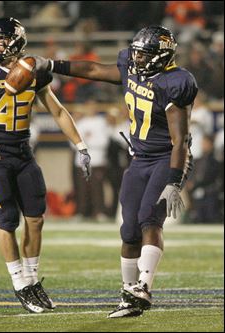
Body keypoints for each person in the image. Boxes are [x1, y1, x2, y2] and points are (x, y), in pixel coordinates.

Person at [32, 25, 198, 318]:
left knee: (150, 219)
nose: (137, 59)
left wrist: (174, 179)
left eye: (144, 55)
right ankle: (128, 293)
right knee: (129, 229)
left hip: (165, 157)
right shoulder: (131, 68)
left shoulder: (175, 81)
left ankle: (144, 288)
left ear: (161, 56)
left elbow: (180, 140)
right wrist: (54, 65)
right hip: (138, 159)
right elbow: (95, 69)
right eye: (136, 53)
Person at [0, 17, 91, 314]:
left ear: (17, 40)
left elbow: (59, 111)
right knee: (8, 220)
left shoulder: (33, 71)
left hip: (24, 152)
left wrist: (81, 145)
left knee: (36, 219)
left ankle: (33, 279)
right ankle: (19, 284)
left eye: (1, 39)